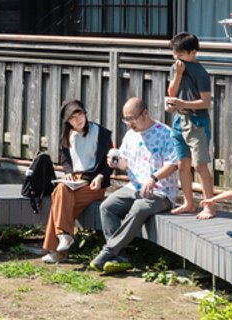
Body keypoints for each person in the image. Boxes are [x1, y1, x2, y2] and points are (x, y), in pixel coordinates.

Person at [89, 96, 181, 272]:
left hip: (161, 192)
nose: (129, 123)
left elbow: (173, 164)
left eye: (132, 118)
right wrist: (115, 162)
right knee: (107, 207)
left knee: (139, 208)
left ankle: (107, 252)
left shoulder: (165, 133)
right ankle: (120, 257)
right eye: (126, 119)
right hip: (135, 187)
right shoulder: (131, 134)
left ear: (145, 113)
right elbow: (125, 164)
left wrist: (153, 179)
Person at [41, 99, 112, 264]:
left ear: (85, 113)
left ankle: (60, 246)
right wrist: (68, 173)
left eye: (80, 114)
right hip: (74, 183)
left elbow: (110, 164)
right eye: (73, 117)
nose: (78, 119)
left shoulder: (100, 133)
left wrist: (101, 177)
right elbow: (65, 161)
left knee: (59, 198)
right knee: (61, 192)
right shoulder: (67, 136)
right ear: (67, 122)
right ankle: (63, 237)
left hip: (94, 183)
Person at [164, 32, 215, 215]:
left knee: (200, 165)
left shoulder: (201, 72)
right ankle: (188, 203)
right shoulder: (176, 68)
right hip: (179, 119)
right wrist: (177, 75)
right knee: (182, 163)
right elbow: (172, 90)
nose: (177, 59)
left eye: (181, 55)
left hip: (197, 121)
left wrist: (182, 103)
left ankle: (209, 205)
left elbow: (206, 102)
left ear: (193, 52)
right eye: (175, 55)